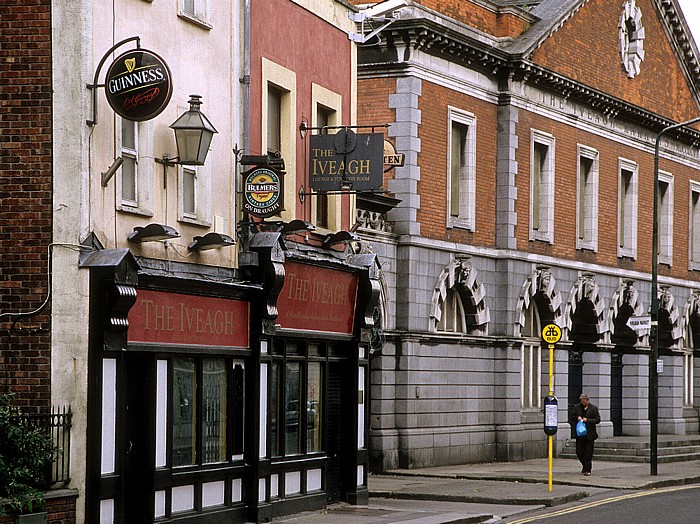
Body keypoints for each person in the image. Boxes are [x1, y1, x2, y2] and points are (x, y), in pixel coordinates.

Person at [572, 393, 600, 476]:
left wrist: (587, 420)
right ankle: (584, 465)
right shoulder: (577, 407)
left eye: (584, 402)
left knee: (588, 453)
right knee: (579, 451)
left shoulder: (593, 408)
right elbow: (572, 416)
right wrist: (577, 418)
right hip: (580, 434)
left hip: (589, 434)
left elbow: (597, 420)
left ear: (588, 401)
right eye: (582, 402)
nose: (583, 403)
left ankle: (588, 469)